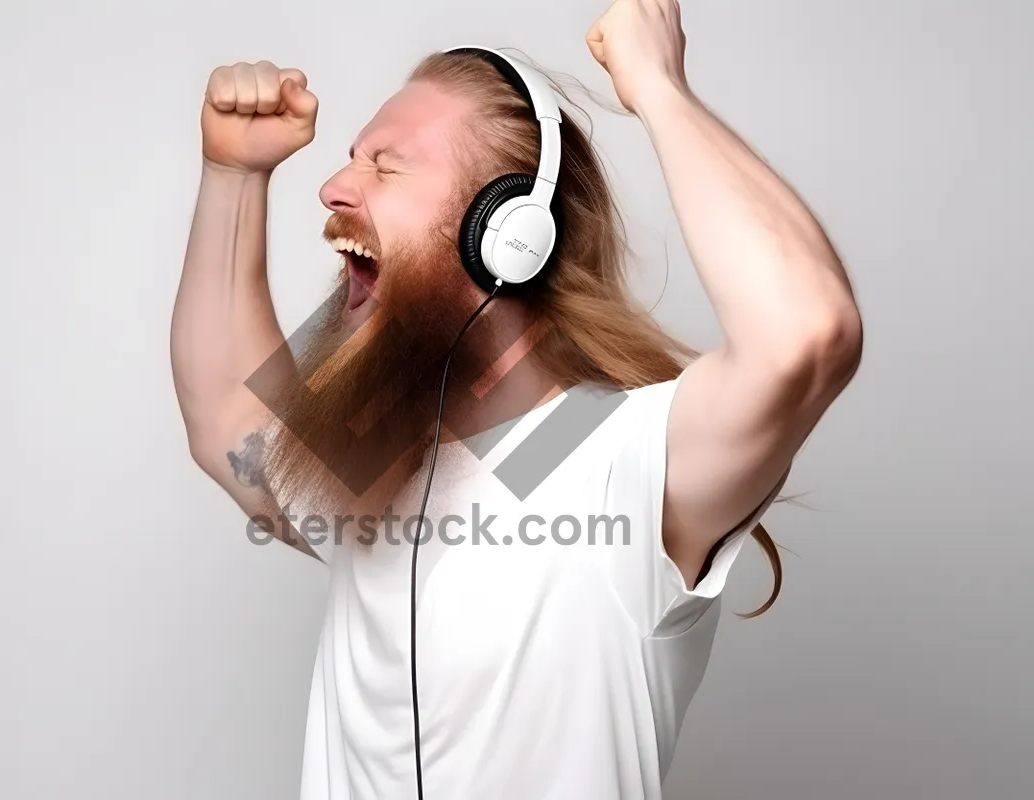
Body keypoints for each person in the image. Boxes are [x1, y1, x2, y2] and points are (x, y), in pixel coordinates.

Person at [170, 1, 862, 797]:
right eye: (353, 160)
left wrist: (660, 91)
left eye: (387, 166)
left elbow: (807, 336)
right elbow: (228, 416)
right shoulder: (380, 467)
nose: (333, 187)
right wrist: (233, 175)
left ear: (509, 233)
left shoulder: (627, 463)